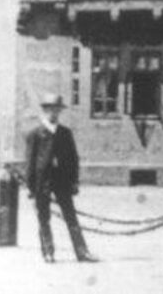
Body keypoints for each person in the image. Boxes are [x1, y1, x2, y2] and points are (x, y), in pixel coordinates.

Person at [24, 93, 97, 264]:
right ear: (45, 111)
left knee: (71, 217)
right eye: (50, 110)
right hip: (42, 182)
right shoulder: (35, 134)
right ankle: (48, 252)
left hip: (62, 182)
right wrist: (30, 186)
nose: (53, 113)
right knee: (43, 218)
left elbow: (73, 159)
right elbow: (30, 163)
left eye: (56, 110)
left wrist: (74, 181)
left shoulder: (65, 133)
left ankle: (82, 252)